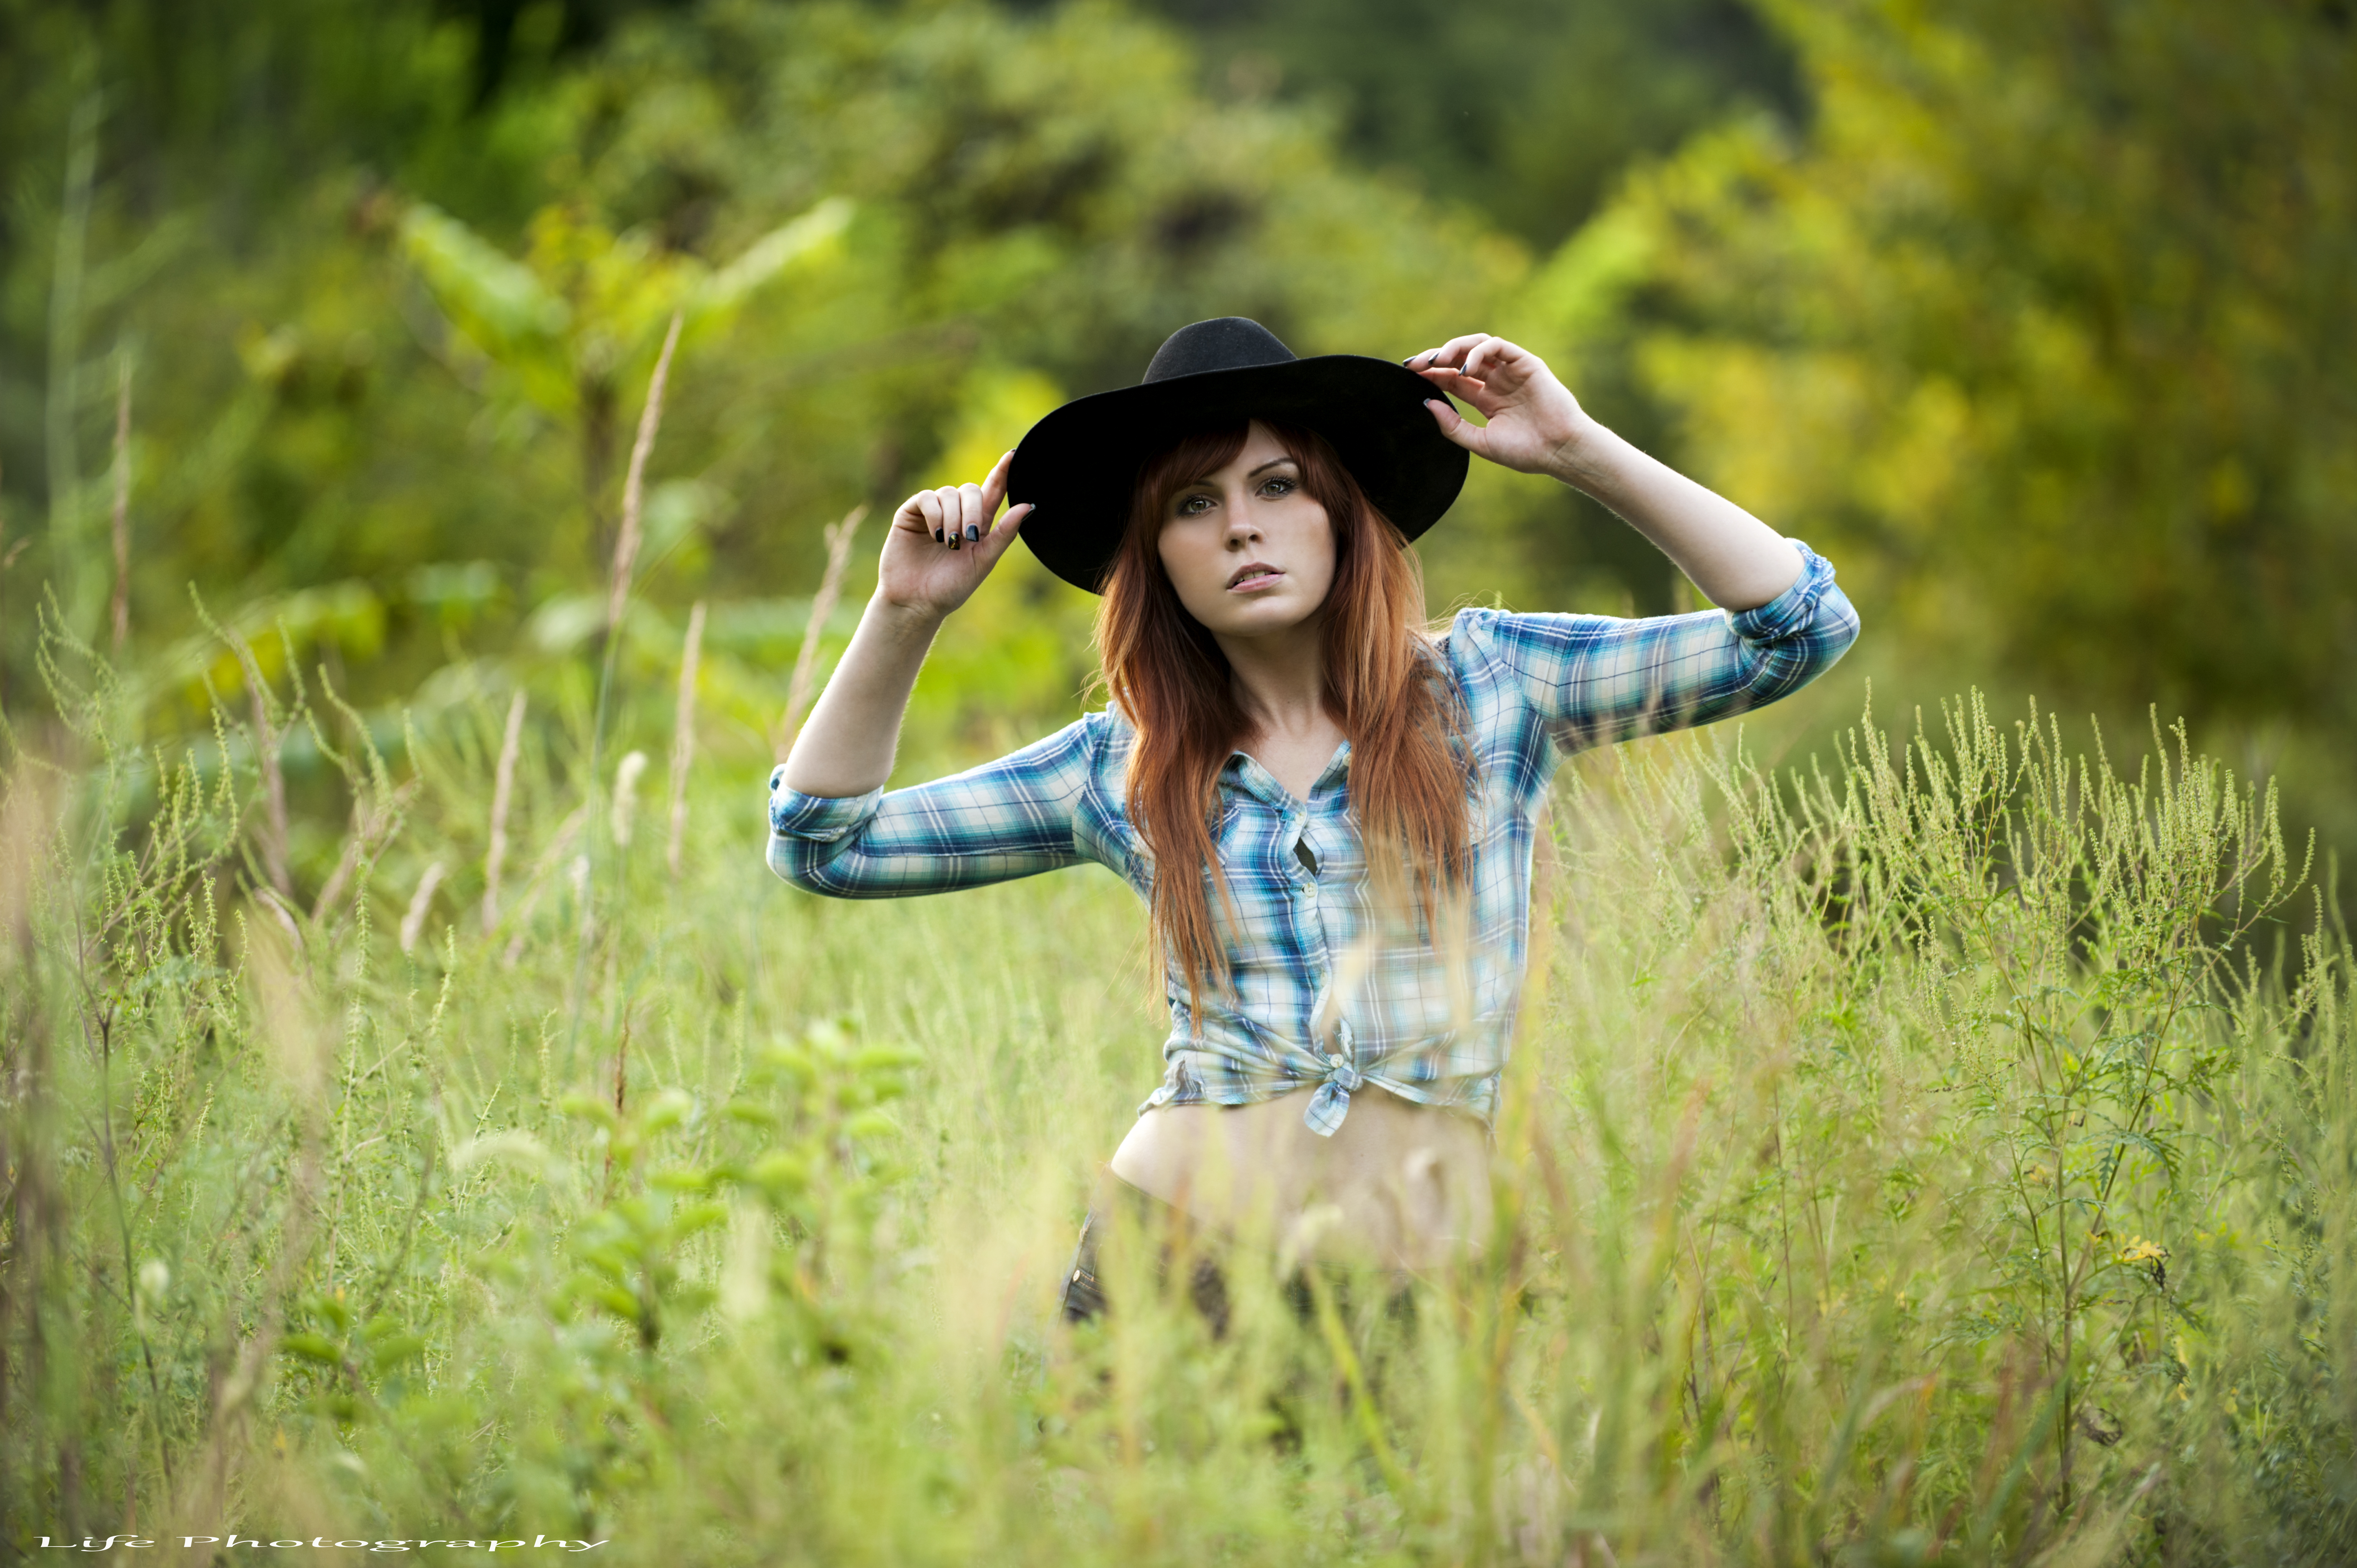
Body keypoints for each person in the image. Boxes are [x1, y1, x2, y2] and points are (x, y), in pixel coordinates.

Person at [767, 318, 1858, 1324]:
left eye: (1277, 485)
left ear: (1338, 509)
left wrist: (1579, 450)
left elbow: (1800, 627)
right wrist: (905, 612)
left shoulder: (1496, 687)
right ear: (1154, 557)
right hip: (1175, 1271)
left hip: (1437, 1286)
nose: (1242, 526)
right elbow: (824, 844)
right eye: (1194, 505)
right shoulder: (1123, 769)